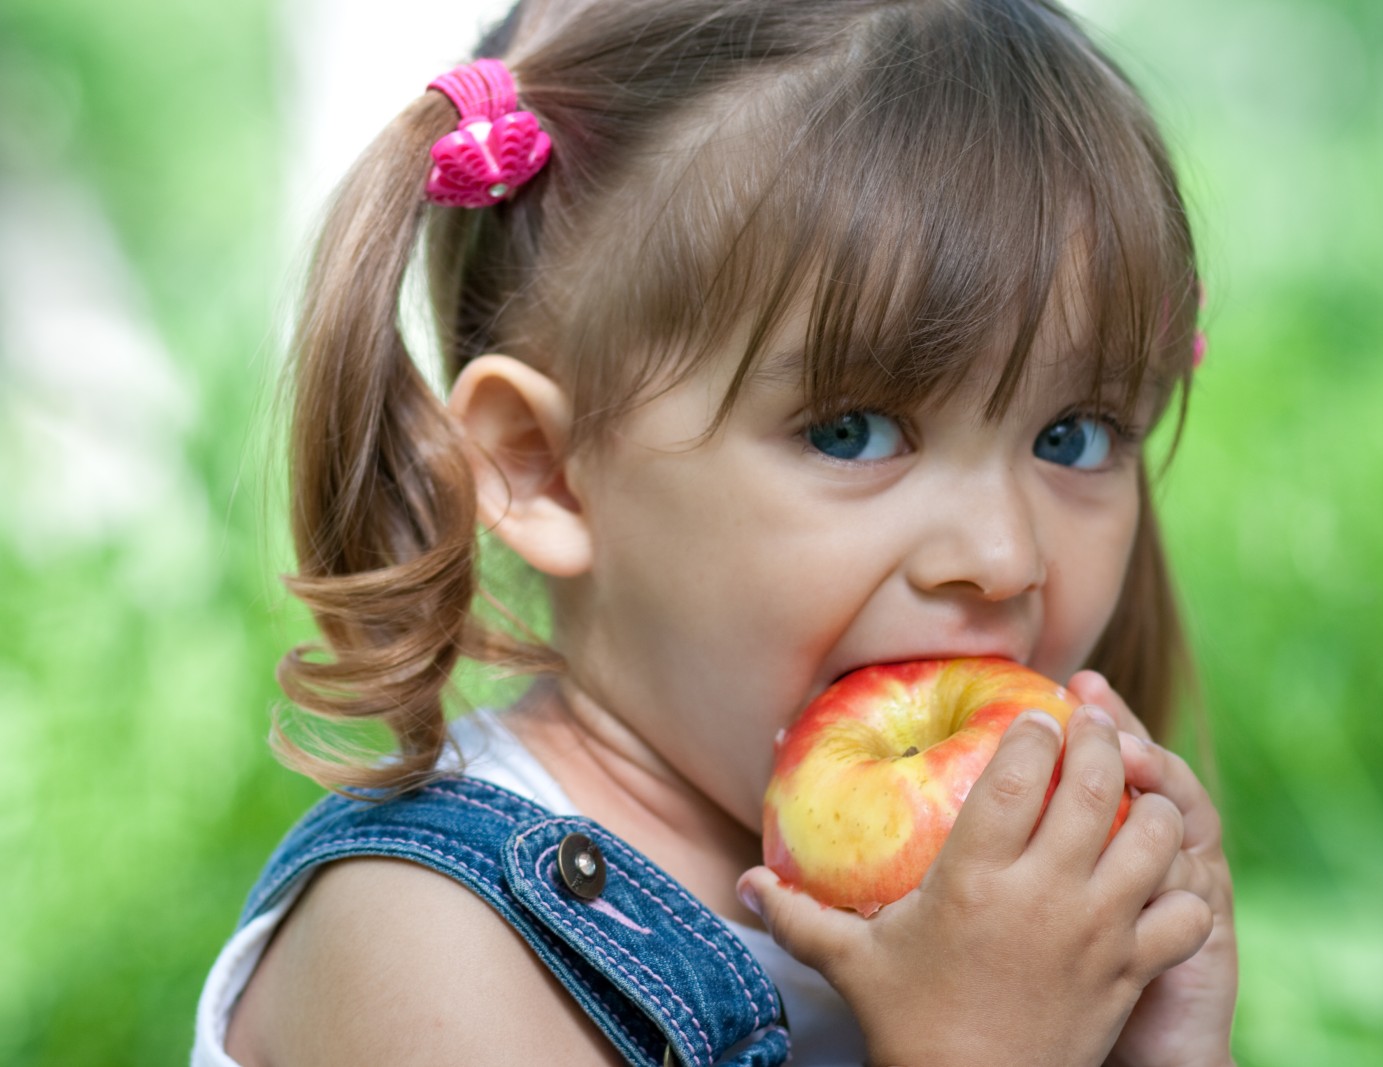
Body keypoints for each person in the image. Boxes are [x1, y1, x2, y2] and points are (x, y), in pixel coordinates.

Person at [194, 1, 1238, 1063]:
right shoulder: (430, 937)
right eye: (851, 430)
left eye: (1073, 435)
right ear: (545, 470)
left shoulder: (1020, 914)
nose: (1001, 555)